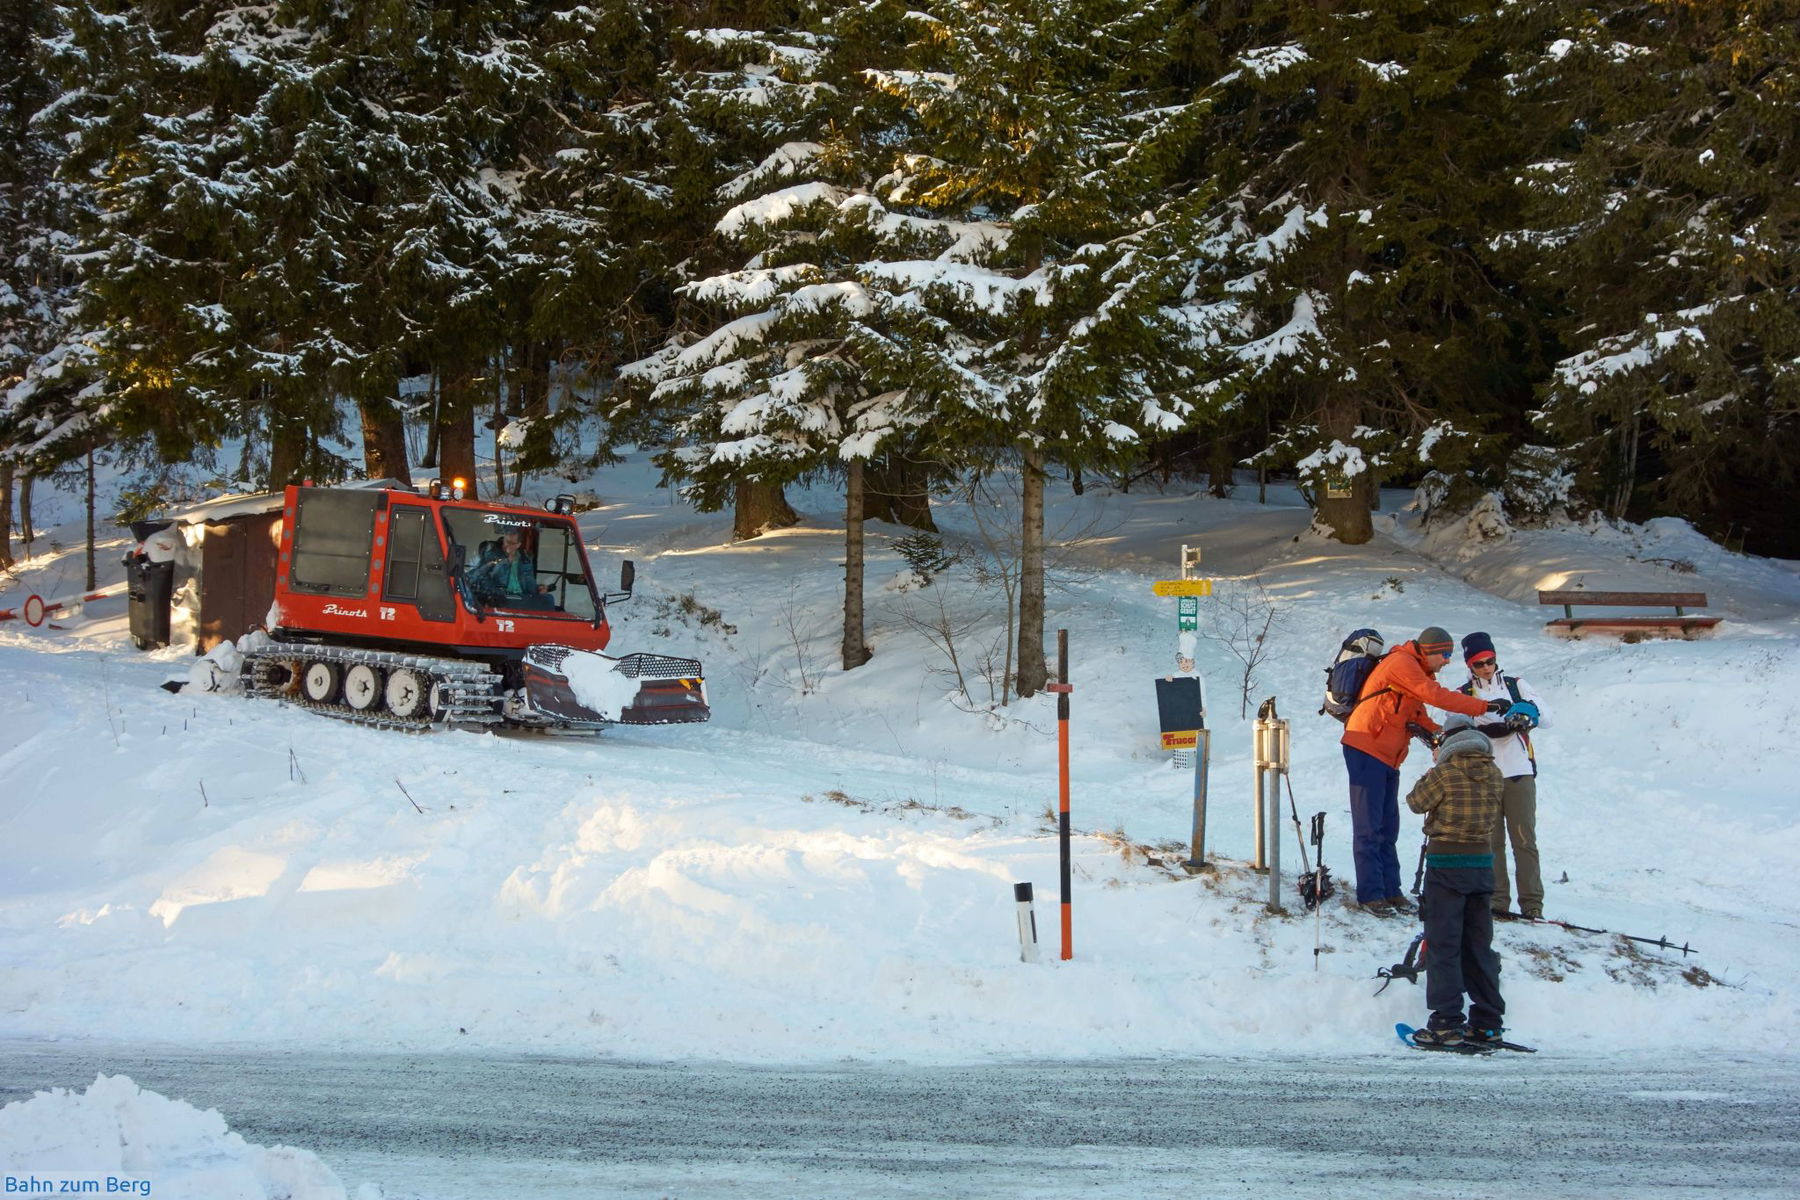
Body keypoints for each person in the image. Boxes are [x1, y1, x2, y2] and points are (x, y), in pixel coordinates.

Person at [1340, 626, 1496, 915]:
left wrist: (1446, 736)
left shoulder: (1416, 670)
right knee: (1369, 827)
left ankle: (1391, 891)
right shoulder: (1402, 663)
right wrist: (1484, 706)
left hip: (1388, 756)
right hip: (1366, 747)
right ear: (1431, 650)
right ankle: (1371, 894)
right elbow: (1435, 695)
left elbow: (1418, 715)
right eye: (1445, 655)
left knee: (1388, 827)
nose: (1447, 661)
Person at [1404, 713, 1506, 1046]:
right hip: (1482, 866)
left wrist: (1433, 768)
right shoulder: (1494, 773)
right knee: (1479, 946)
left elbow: (1416, 802)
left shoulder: (1444, 773)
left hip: (1446, 864)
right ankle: (1488, 1022)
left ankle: (1446, 1022)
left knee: (1444, 945)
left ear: (1447, 741)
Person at [1456, 631, 1550, 919]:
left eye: (1490, 661)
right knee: (1490, 842)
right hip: (1484, 775)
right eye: (1479, 663)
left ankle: (1532, 905)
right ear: (1469, 665)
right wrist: (1482, 730)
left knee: (1524, 840)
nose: (1486, 668)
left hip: (1519, 772)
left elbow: (1548, 718)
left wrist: (1527, 713)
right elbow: (1455, 730)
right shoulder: (1463, 693)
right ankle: (1497, 902)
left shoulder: (1515, 685)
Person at [469, 529, 542, 605]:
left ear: (518, 545)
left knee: (546, 600)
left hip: (522, 598)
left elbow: (530, 583)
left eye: (511, 543)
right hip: (499, 599)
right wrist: (494, 592)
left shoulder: (525, 560)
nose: (506, 545)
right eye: (505, 541)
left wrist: (538, 589)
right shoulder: (492, 555)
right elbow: (478, 575)